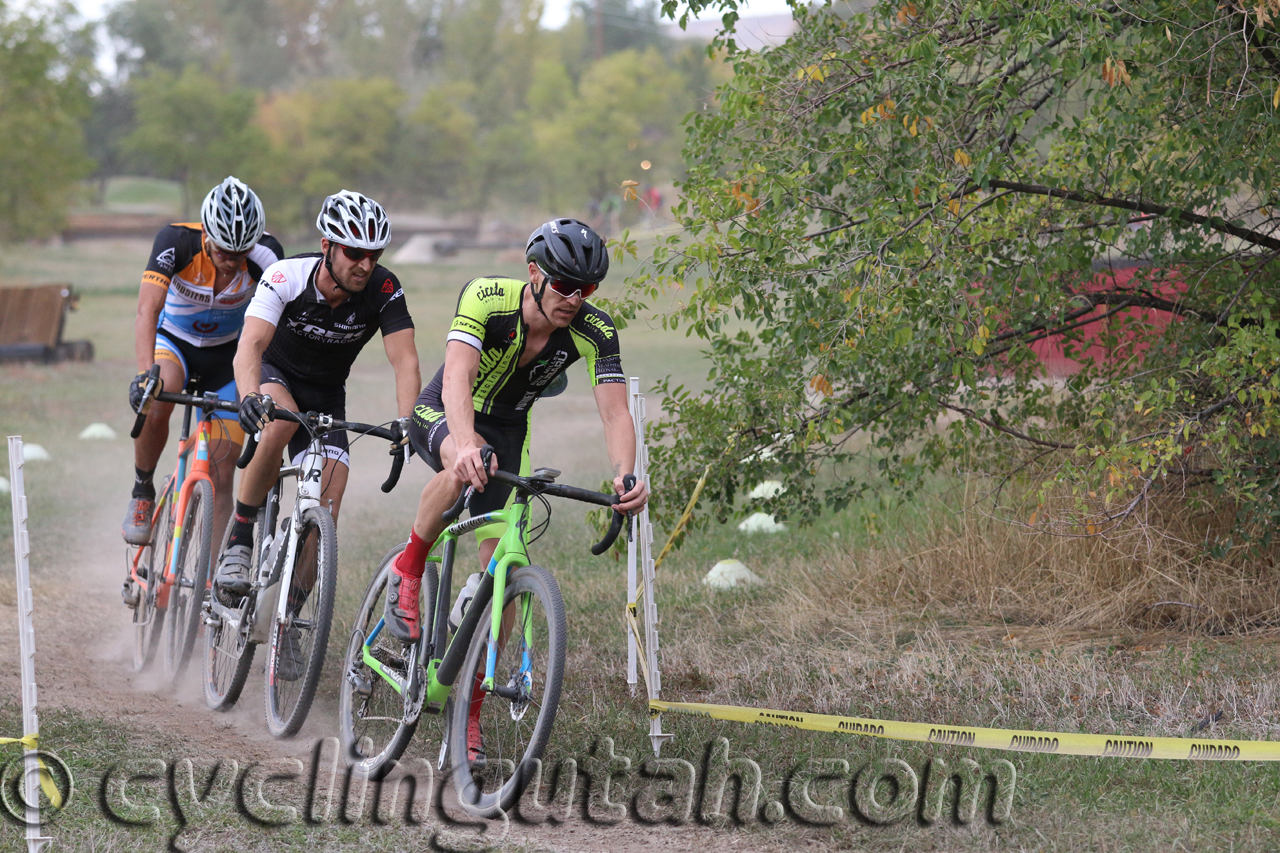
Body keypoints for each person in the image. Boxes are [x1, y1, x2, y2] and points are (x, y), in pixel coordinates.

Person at [383, 217, 649, 761]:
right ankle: (407, 572)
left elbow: (615, 410)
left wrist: (626, 471)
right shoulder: (486, 296)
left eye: (588, 288)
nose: (575, 299)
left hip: (510, 427)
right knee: (460, 462)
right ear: (534, 273)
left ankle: (470, 715)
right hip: (447, 408)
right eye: (565, 285)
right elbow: (458, 375)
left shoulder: (595, 330)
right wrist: (464, 441)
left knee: (503, 576)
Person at [212, 190, 421, 615]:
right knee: (280, 421)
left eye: (374, 254)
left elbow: (406, 360)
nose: (365, 264)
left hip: (326, 396)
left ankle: (290, 616)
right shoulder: (288, 276)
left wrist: (406, 421)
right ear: (327, 245)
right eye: (354, 251)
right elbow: (250, 344)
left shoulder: (383, 288)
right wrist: (250, 394)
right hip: (275, 376)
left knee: (330, 503)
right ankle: (239, 537)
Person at [124, 176, 283, 549]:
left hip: (229, 357)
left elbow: (278, 324)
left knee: (222, 470)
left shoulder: (266, 256)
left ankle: (208, 586)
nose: (231, 262)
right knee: (159, 393)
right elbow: (147, 310)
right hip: (175, 343)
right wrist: (144, 374)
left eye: (239, 254)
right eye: (224, 252)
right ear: (207, 237)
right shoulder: (175, 241)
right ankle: (142, 490)